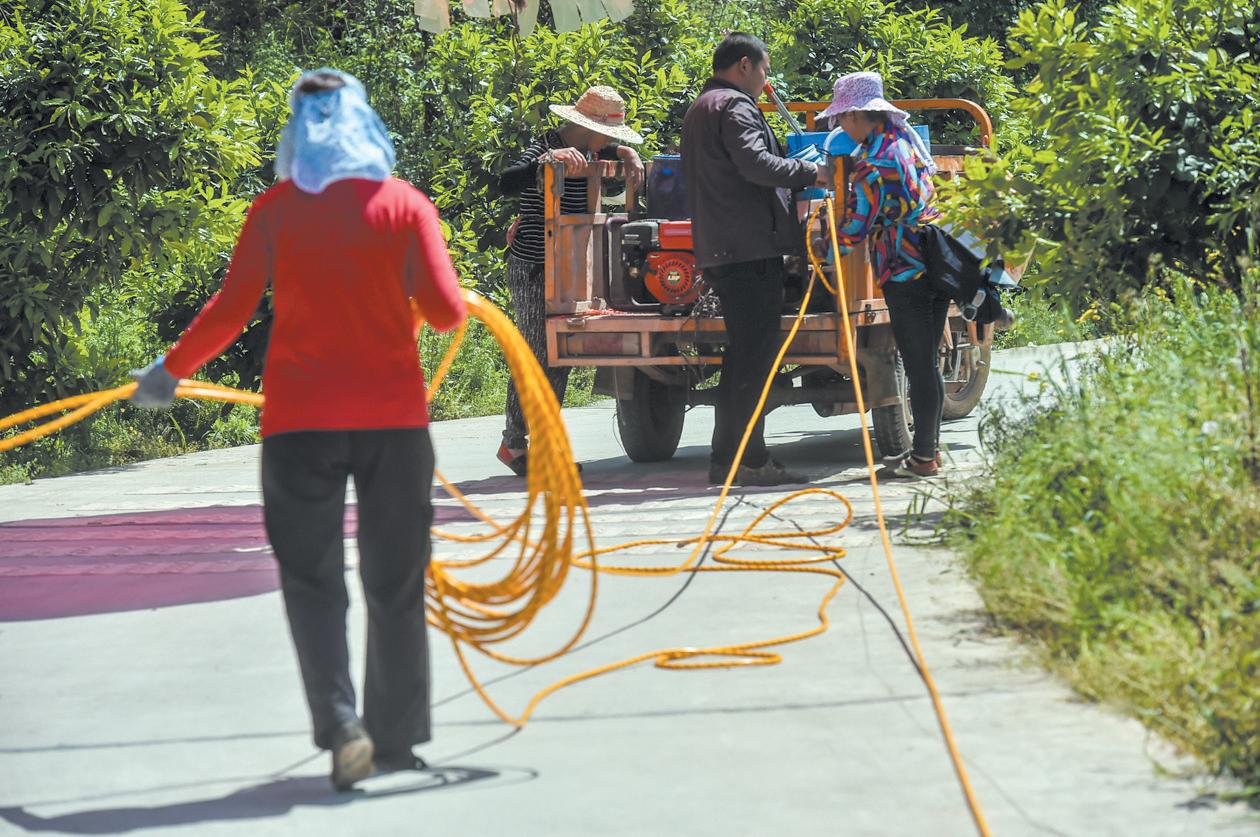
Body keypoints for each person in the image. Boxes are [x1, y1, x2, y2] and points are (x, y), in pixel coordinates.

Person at [129, 69, 467, 790]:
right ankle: (399, 738)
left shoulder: (275, 210)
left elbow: (231, 308)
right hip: (394, 424)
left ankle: (344, 724)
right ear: (364, 121)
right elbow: (445, 312)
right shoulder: (407, 206)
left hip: (299, 426)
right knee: (396, 579)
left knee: (314, 580)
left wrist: (170, 369)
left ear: (298, 129)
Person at [681, 32, 830, 487]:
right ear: (744, 65)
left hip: (724, 246)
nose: (766, 82)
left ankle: (736, 457)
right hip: (748, 249)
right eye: (764, 71)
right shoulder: (734, 105)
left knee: (744, 358)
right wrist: (812, 171)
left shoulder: (703, 106)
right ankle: (745, 461)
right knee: (753, 359)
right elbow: (755, 165)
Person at [496, 85, 645, 476]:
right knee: (537, 355)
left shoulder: (592, 151)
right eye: (609, 135)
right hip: (534, 267)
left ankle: (541, 445)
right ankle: (515, 443)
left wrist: (626, 152)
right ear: (587, 129)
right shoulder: (546, 146)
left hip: (569, 269)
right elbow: (506, 182)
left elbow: (607, 152)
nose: (611, 141)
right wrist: (546, 159)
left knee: (560, 356)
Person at [820, 71, 945, 478]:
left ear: (857, 116)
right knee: (926, 362)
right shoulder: (906, 144)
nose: (839, 125)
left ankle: (924, 459)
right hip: (935, 262)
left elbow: (856, 228)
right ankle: (929, 451)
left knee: (919, 362)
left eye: (841, 118)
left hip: (904, 270)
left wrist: (826, 247)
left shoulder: (872, 164)